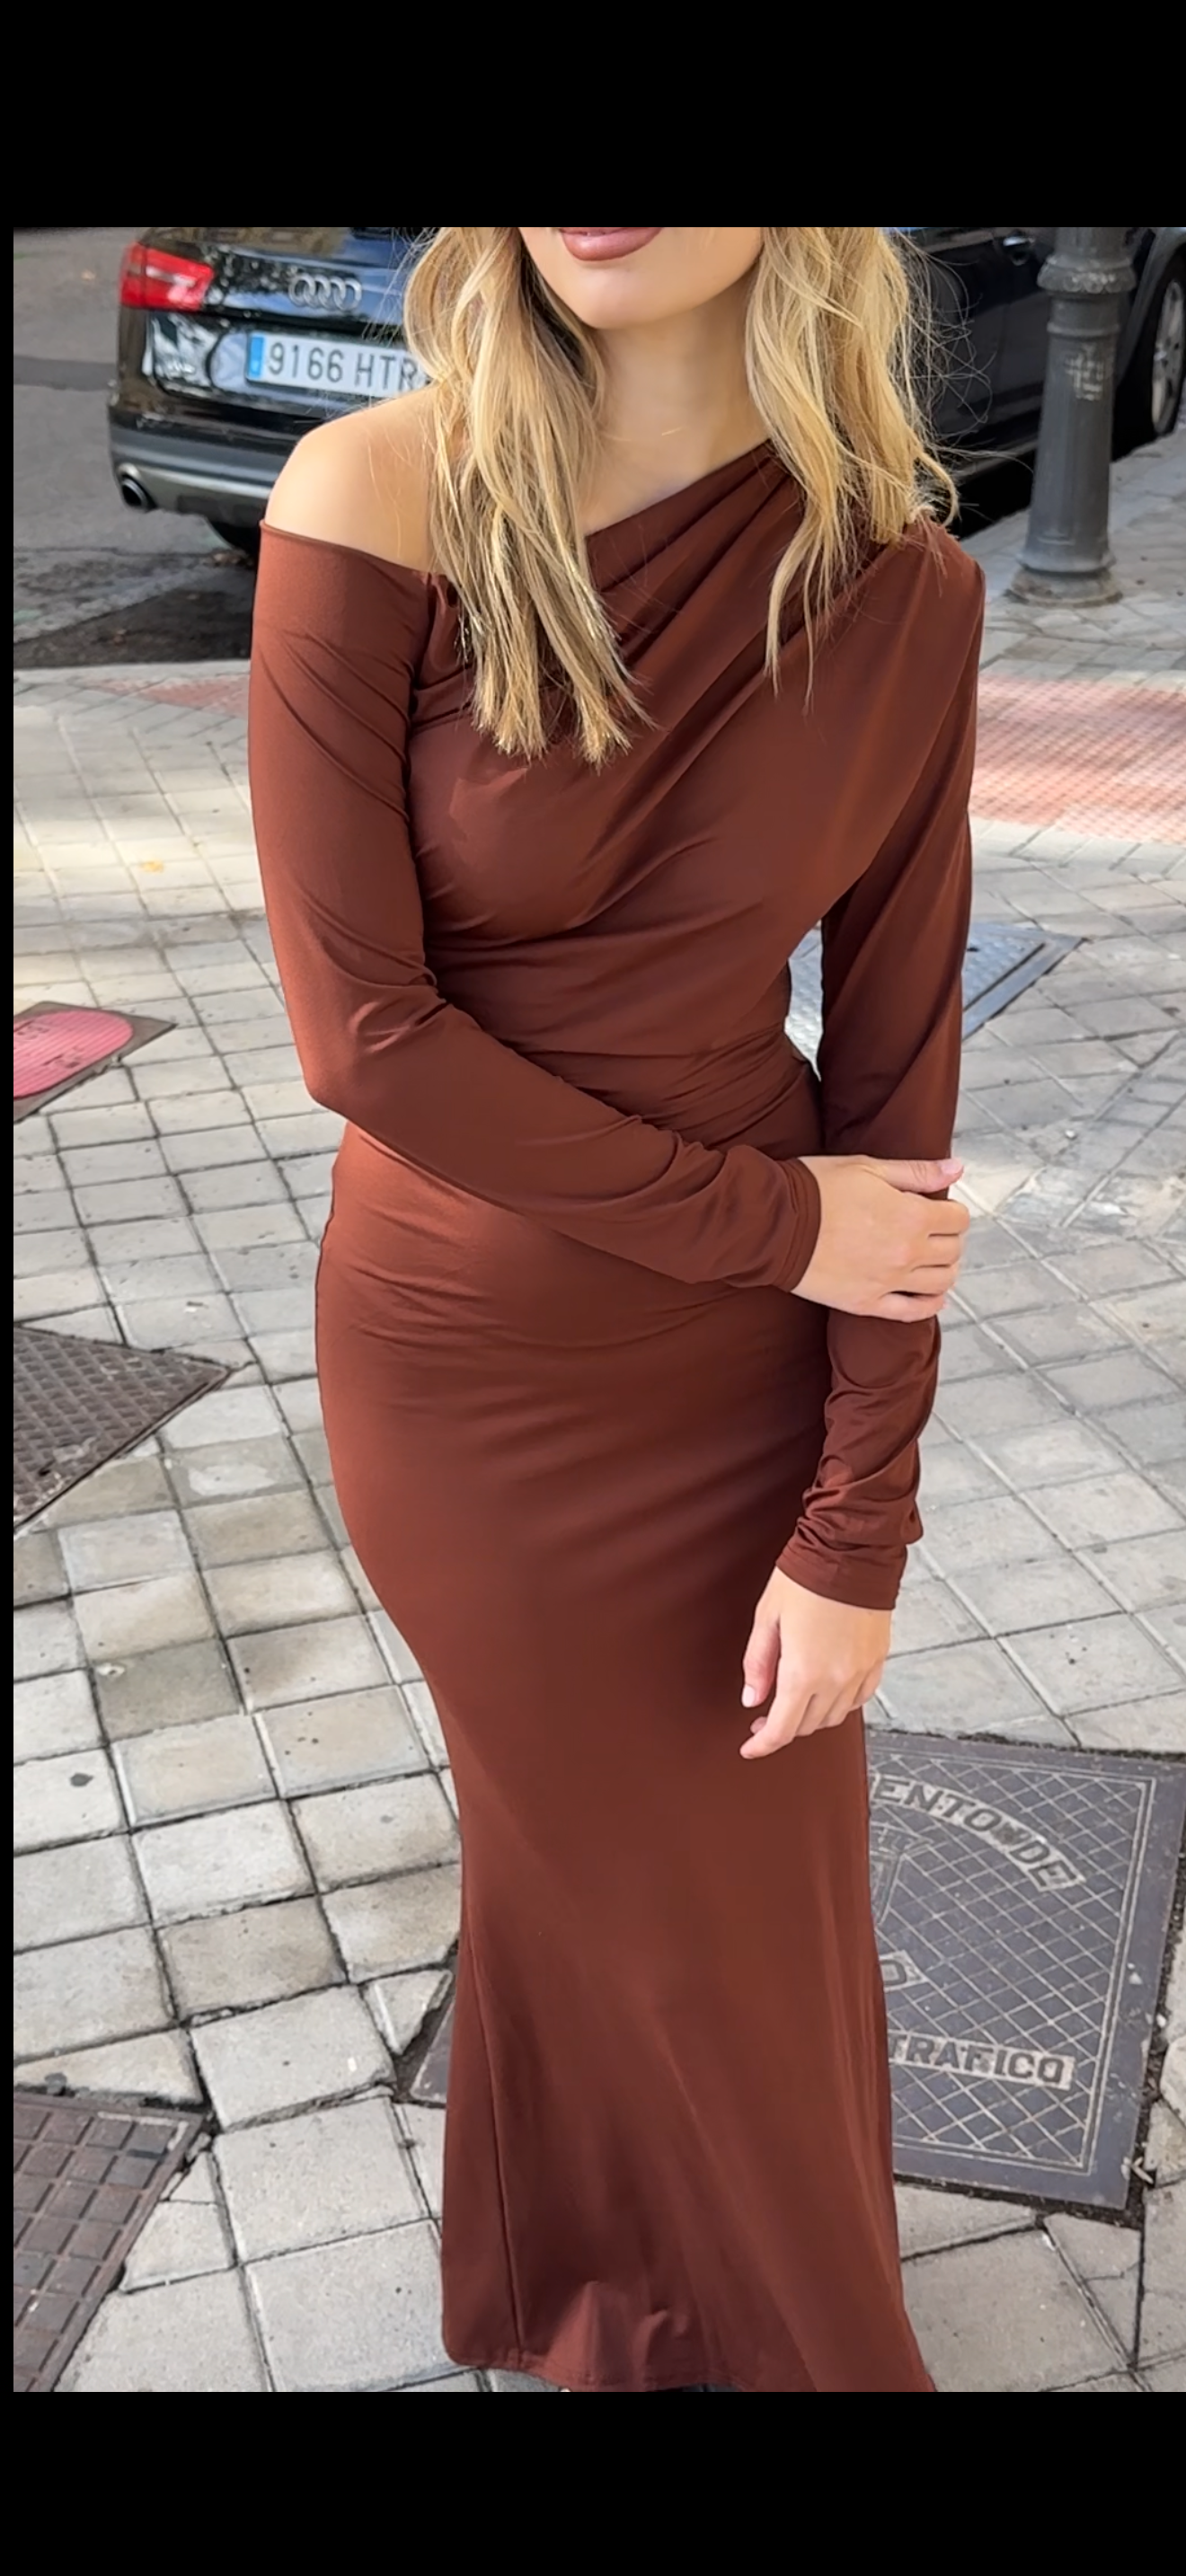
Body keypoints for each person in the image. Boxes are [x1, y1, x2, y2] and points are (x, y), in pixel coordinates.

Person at [249, 227, 983, 2395]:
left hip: (740, 1387)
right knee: (636, 1895)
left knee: (741, 1911)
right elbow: (363, 1039)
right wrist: (773, 1228)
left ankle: (614, 2299)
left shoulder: (904, 589)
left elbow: (899, 1092)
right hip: (471, 1384)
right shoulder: (378, 494)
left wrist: (860, 1527)